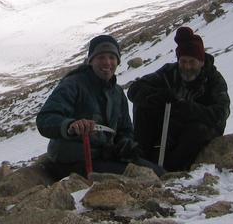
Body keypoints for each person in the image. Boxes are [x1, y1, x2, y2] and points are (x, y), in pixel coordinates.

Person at [36, 35, 163, 179]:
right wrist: (70, 125)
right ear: (91, 61)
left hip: (105, 156)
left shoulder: (117, 93)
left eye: (112, 57)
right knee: (138, 178)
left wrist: (124, 145)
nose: (107, 62)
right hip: (73, 160)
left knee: (159, 173)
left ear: (117, 61)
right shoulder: (73, 84)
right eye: (101, 57)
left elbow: (125, 129)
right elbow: (45, 119)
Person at [127, 26, 230, 172]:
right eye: (183, 61)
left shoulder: (214, 80)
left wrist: (187, 109)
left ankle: (173, 171)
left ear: (201, 61)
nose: (187, 67)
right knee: (144, 107)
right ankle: (142, 160)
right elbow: (135, 89)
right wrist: (158, 97)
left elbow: (221, 113)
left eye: (192, 62)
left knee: (197, 131)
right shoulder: (170, 72)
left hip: (197, 132)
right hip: (169, 126)